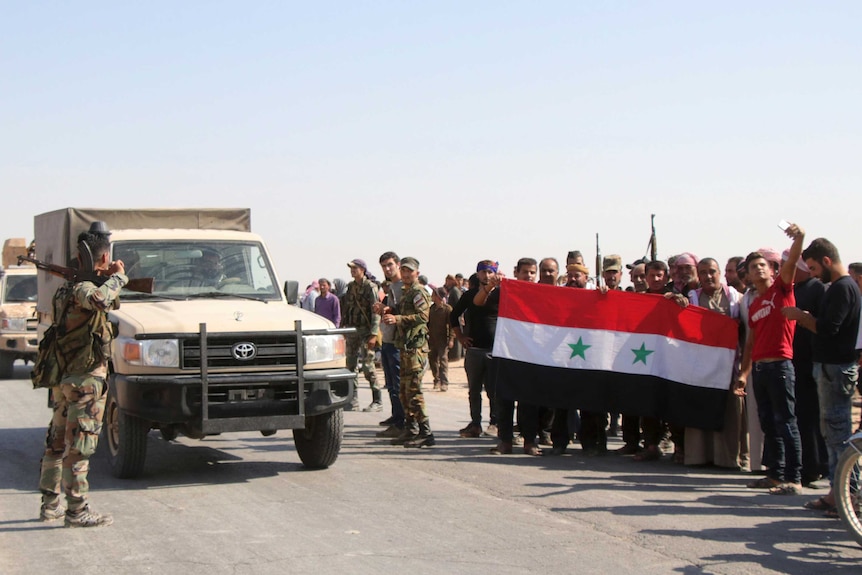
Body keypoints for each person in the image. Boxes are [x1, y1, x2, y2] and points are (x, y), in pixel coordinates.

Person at [38, 223, 127, 527]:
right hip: (85, 381)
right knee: (80, 447)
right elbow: (100, 300)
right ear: (103, 258)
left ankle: (50, 505)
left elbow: (107, 303)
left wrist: (106, 279)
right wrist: (118, 277)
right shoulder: (83, 289)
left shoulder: (67, 288)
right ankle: (77, 511)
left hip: (65, 380)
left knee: (56, 443)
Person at [784, 236, 861, 514]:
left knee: (838, 434)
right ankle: (837, 493)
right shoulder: (840, 287)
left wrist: (800, 316)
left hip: (835, 369)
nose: (814, 274)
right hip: (832, 368)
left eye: (814, 268)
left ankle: (846, 496)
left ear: (826, 261)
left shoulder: (842, 288)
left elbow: (829, 329)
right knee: (832, 433)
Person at [737, 223, 806, 495]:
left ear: (773, 269)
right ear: (749, 275)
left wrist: (799, 237)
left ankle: (794, 478)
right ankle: (775, 475)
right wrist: (743, 374)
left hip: (780, 366)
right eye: (753, 267)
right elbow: (751, 343)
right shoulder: (753, 304)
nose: (759, 269)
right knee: (769, 424)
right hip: (761, 369)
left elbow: (791, 262)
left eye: (763, 265)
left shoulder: (782, 289)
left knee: (786, 422)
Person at [683, 257, 747, 469]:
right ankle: (698, 456)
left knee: (729, 412)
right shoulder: (691, 298)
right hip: (699, 366)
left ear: (720, 273)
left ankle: (728, 458)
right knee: (700, 409)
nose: (708, 276)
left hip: (728, 366)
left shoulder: (735, 299)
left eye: (712, 271)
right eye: (703, 273)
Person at [488, 258, 542, 456]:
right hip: (507, 352)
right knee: (505, 399)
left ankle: (530, 442)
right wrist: (492, 286)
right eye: (525, 272)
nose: (528, 276)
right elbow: (481, 303)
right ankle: (505, 441)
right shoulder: (505, 290)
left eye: (532, 272)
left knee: (529, 402)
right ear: (516, 272)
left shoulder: (541, 294)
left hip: (531, 355)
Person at [381, 257, 435, 448]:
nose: (405, 274)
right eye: (403, 271)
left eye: (409, 271)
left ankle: (426, 433)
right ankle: (411, 429)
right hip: (404, 346)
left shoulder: (418, 291)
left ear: (417, 273)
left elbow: (423, 316)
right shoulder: (405, 292)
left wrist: (398, 319)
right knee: (403, 391)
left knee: (413, 391)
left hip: (415, 348)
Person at [451, 260, 501, 439]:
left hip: (495, 350)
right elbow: (453, 316)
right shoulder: (470, 295)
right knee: (474, 390)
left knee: (494, 390)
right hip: (474, 350)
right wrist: (461, 338)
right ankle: (475, 424)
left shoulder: (502, 295)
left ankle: (495, 423)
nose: (486, 276)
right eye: (483, 272)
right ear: (477, 274)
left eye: (490, 272)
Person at [373, 252, 407, 437]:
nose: (387, 269)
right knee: (391, 384)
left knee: (398, 383)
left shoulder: (405, 286)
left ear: (398, 264)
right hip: (388, 339)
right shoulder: (392, 286)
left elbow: (406, 312)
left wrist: (389, 309)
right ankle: (396, 417)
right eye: (384, 266)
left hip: (397, 342)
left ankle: (402, 422)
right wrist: (384, 309)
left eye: (390, 265)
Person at [341, 258, 382, 412]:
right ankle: (353, 399)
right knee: (350, 366)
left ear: (363, 270)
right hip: (352, 330)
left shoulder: (370, 287)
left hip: (366, 331)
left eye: (355, 268)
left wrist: (373, 334)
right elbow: (347, 307)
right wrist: (343, 327)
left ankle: (377, 400)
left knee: (368, 365)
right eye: (351, 268)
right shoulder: (350, 287)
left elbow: (375, 312)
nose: (352, 270)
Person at [428, 287, 453, 391]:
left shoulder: (447, 309)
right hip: (432, 339)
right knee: (432, 360)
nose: (432, 296)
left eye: (434, 294)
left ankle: (444, 382)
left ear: (438, 296)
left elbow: (452, 326)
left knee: (443, 360)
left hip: (443, 339)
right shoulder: (431, 309)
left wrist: (451, 339)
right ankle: (436, 380)